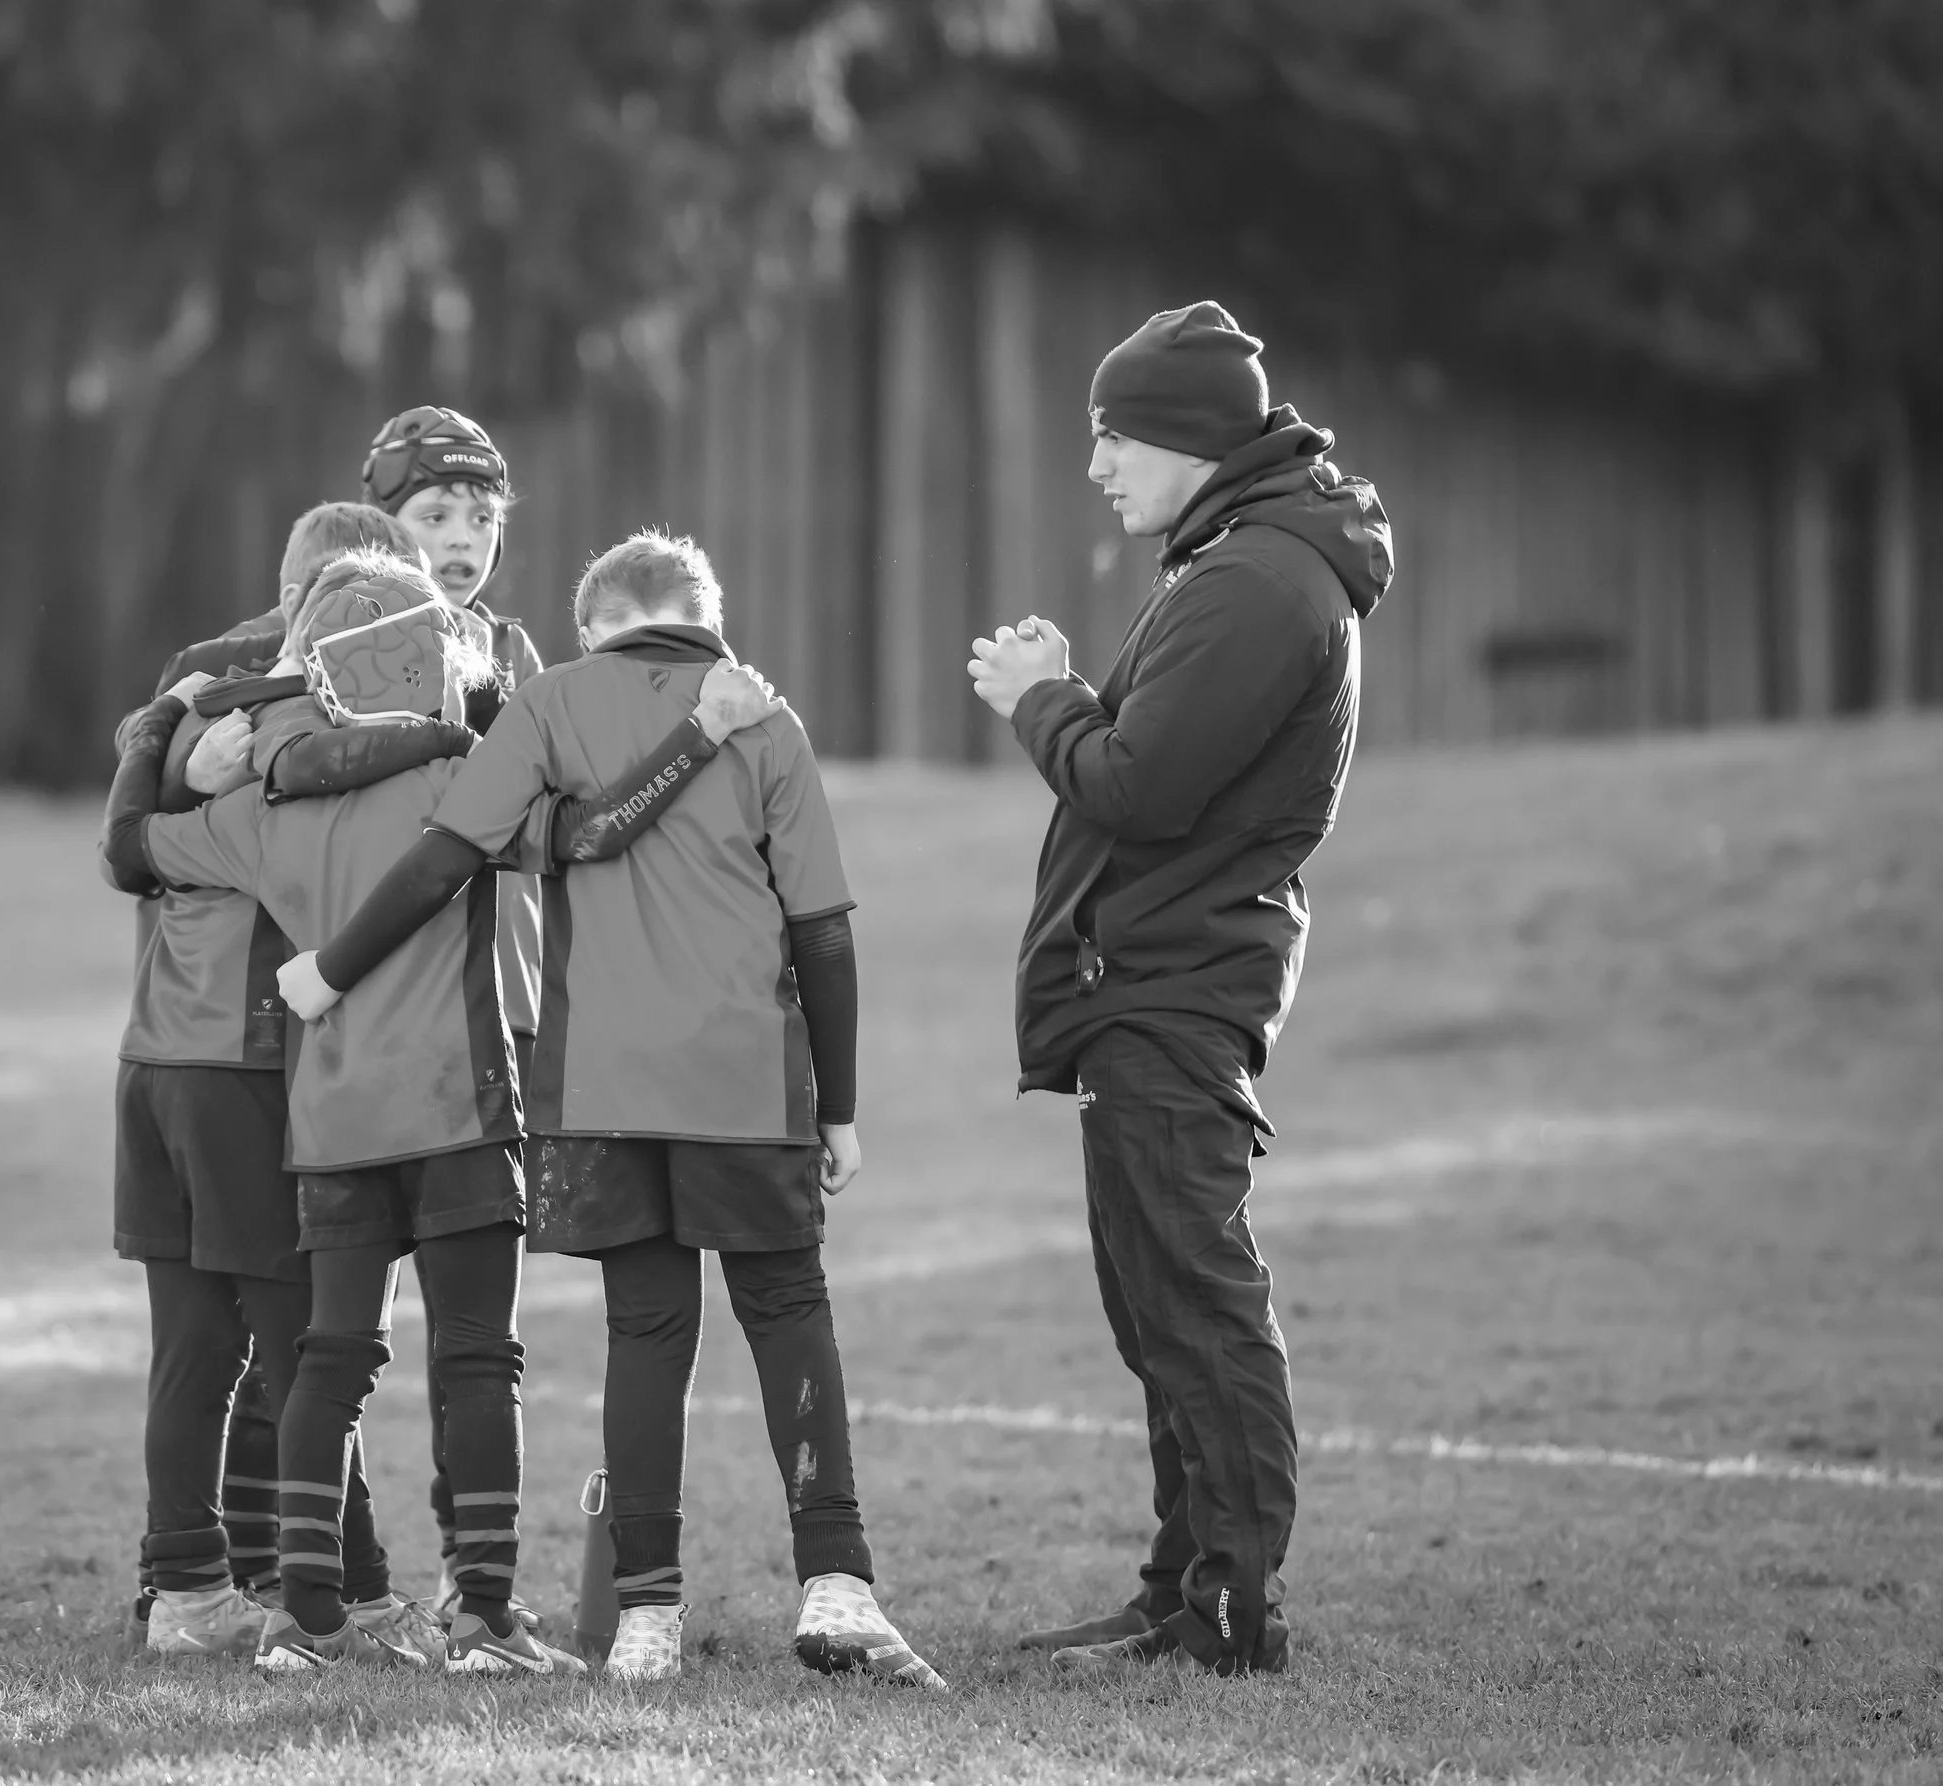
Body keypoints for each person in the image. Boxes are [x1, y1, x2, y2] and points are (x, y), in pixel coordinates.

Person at [282, 531, 945, 1689]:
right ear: (704, 611)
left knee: (647, 1332)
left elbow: (447, 859)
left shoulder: (547, 705)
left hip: (600, 1092)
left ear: (595, 626)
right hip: (747, 1082)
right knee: (788, 1308)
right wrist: (838, 1106)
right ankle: (836, 1583)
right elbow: (823, 928)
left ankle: (646, 1618)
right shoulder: (764, 719)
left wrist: (331, 968)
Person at [103, 551, 779, 1673]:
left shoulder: (256, 813)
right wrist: (701, 732)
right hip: (459, 1110)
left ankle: (305, 1622)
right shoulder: (466, 779)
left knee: (328, 1357)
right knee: (477, 1358)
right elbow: (597, 832)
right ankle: (485, 1621)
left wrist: (151, 736)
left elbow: (132, 850)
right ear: (434, 664)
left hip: (327, 1121)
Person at [965, 301, 1392, 1677]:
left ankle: (1233, 1610)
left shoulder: (1259, 583)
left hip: (1172, 989)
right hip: (1141, 985)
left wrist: (1043, 695)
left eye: (1116, 434)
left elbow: (1139, 789)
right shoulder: (1235, 562)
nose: (1097, 465)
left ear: (1195, 439)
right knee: (1154, 1303)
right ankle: (1180, 1589)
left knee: (1193, 1299)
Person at [106, 501, 438, 1659]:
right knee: (311, 1344)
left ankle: (192, 1586)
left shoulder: (213, 703)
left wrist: (157, 753)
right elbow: (142, 848)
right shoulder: (268, 723)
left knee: (205, 1345)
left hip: (161, 1058)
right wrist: (169, 751)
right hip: (242, 1065)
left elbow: (129, 847)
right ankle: (333, 1594)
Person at [358, 406, 556, 1609]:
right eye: (434, 515)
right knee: (331, 1338)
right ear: (378, 528)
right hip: (360, 1033)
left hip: (494, 1028)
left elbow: (540, 822)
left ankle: (479, 1593)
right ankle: (330, 1584)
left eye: (482, 517)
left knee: (480, 1338)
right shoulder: (337, 655)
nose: (463, 537)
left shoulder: (517, 658)